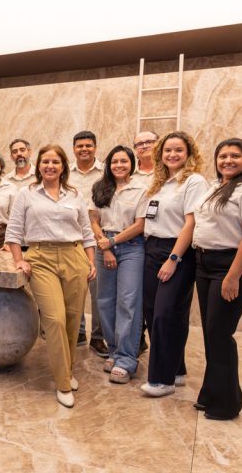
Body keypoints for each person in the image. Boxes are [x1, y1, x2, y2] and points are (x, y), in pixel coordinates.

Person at [6, 144, 96, 409]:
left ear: (63, 166)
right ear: (39, 166)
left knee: (73, 319)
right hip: (41, 258)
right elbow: (13, 231)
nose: (50, 166)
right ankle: (63, 383)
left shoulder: (75, 194)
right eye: (45, 161)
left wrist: (91, 262)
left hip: (75, 257)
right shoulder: (26, 194)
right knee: (55, 319)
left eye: (55, 162)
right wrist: (19, 259)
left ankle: (67, 369)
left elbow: (87, 232)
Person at [193, 138, 242, 420]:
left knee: (220, 333)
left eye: (235, 156)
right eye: (222, 156)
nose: (228, 160)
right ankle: (211, 393)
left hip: (231, 266)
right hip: (205, 263)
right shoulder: (217, 186)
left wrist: (233, 276)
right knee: (211, 332)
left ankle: (226, 404)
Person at [140, 131, 208, 397]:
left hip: (177, 251)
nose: (172, 155)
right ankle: (176, 369)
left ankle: (161, 380)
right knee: (151, 311)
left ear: (189, 153)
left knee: (166, 314)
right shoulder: (160, 182)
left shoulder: (194, 181)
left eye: (178, 150)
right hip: (152, 248)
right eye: (167, 150)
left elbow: (191, 223)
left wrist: (173, 259)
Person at [89, 146, 147, 384]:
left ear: (131, 163)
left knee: (128, 302)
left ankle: (126, 359)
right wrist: (105, 246)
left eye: (124, 161)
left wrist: (112, 243)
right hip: (103, 246)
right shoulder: (99, 187)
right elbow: (93, 219)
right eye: (115, 161)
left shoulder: (141, 189)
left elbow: (140, 224)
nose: (119, 165)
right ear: (108, 164)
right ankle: (114, 351)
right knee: (105, 301)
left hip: (131, 247)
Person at [68, 130, 108, 357]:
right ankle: (79, 331)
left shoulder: (106, 172)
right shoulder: (66, 172)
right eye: (80, 146)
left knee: (98, 291)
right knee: (75, 290)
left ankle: (98, 336)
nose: (84, 149)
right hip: (71, 238)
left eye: (88, 145)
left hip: (99, 237)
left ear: (95, 147)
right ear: (74, 149)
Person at [132, 131, 159, 355]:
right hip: (132, 240)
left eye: (149, 142)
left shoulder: (167, 173)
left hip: (158, 241)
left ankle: (160, 342)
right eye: (139, 144)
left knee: (155, 297)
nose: (144, 146)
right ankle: (136, 338)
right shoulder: (130, 174)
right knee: (134, 293)